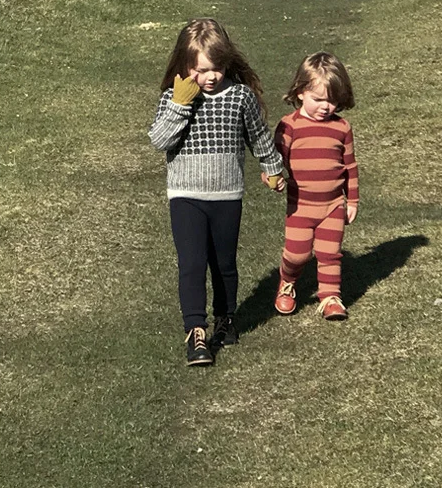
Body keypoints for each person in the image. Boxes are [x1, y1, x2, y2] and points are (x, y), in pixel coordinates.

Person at [149, 18, 285, 367]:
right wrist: (180, 105)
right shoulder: (174, 97)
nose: (211, 77)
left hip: (227, 194)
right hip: (185, 196)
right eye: (202, 70)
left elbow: (258, 136)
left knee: (223, 263)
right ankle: (195, 331)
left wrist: (272, 168)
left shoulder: (240, 96)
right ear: (185, 66)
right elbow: (159, 140)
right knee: (192, 264)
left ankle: (226, 318)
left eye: (218, 68)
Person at [273, 52, 359, 321]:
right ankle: (287, 282)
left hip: (333, 204)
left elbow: (350, 167)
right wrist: (271, 177)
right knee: (297, 255)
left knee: (329, 253)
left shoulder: (342, 127)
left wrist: (352, 200)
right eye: (318, 99)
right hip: (300, 206)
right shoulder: (289, 126)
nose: (326, 106)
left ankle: (330, 297)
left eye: (332, 100)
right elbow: (274, 162)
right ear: (300, 92)